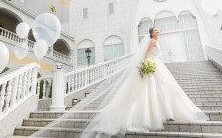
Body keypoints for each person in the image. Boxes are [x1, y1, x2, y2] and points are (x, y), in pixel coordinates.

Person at [80, 27, 208, 137]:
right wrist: (147, 64)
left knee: (164, 88)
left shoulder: (156, 41)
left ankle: (167, 112)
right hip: (152, 65)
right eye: (156, 30)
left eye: (158, 29)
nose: (158, 31)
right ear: (152, 33)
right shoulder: (152, 41)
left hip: (157, 65)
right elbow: (146, 53)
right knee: (153, 89)